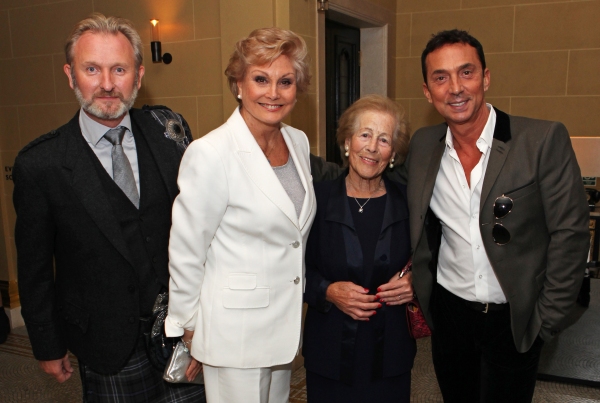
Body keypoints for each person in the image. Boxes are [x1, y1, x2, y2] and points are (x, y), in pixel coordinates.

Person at [13, 13, 205, 402]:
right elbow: (34, 268)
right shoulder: (42, 164)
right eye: (91, 69)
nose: (106, 84)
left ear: (138, 75)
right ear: (70, 75)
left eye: (119, 69)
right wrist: (47, 344)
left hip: (183, 330)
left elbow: (202, 224)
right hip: (107, 343)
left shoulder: (170, 132)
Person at [399, 29, 589, 402]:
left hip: (515, 317)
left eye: (466, 72)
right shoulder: (423, 146)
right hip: (450, 312)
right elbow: (384, 189)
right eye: (441, 77)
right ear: (427, 91)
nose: (455, 87)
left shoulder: (541, 140)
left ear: (486, 77)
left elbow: (571, 233)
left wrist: (544, 321)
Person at [165, 27, 316, 403]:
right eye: (260, 79)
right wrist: (187, 325)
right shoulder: (211, 152)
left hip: (283, 325)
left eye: (285, 81)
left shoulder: (297, 141)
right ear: (238, 83)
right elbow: (187, 248)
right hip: (235, 332)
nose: (273, 93)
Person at [303, 95, 416, 402]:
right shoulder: (316, 199)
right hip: (328, 351)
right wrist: (326, 290)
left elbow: (438, 256)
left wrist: (417, 281)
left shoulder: (410, 202)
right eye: (364, 134)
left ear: (393, 152)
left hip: (391, 352)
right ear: (347, 142)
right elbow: (290, 268)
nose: (372, 147)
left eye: (384, 139)